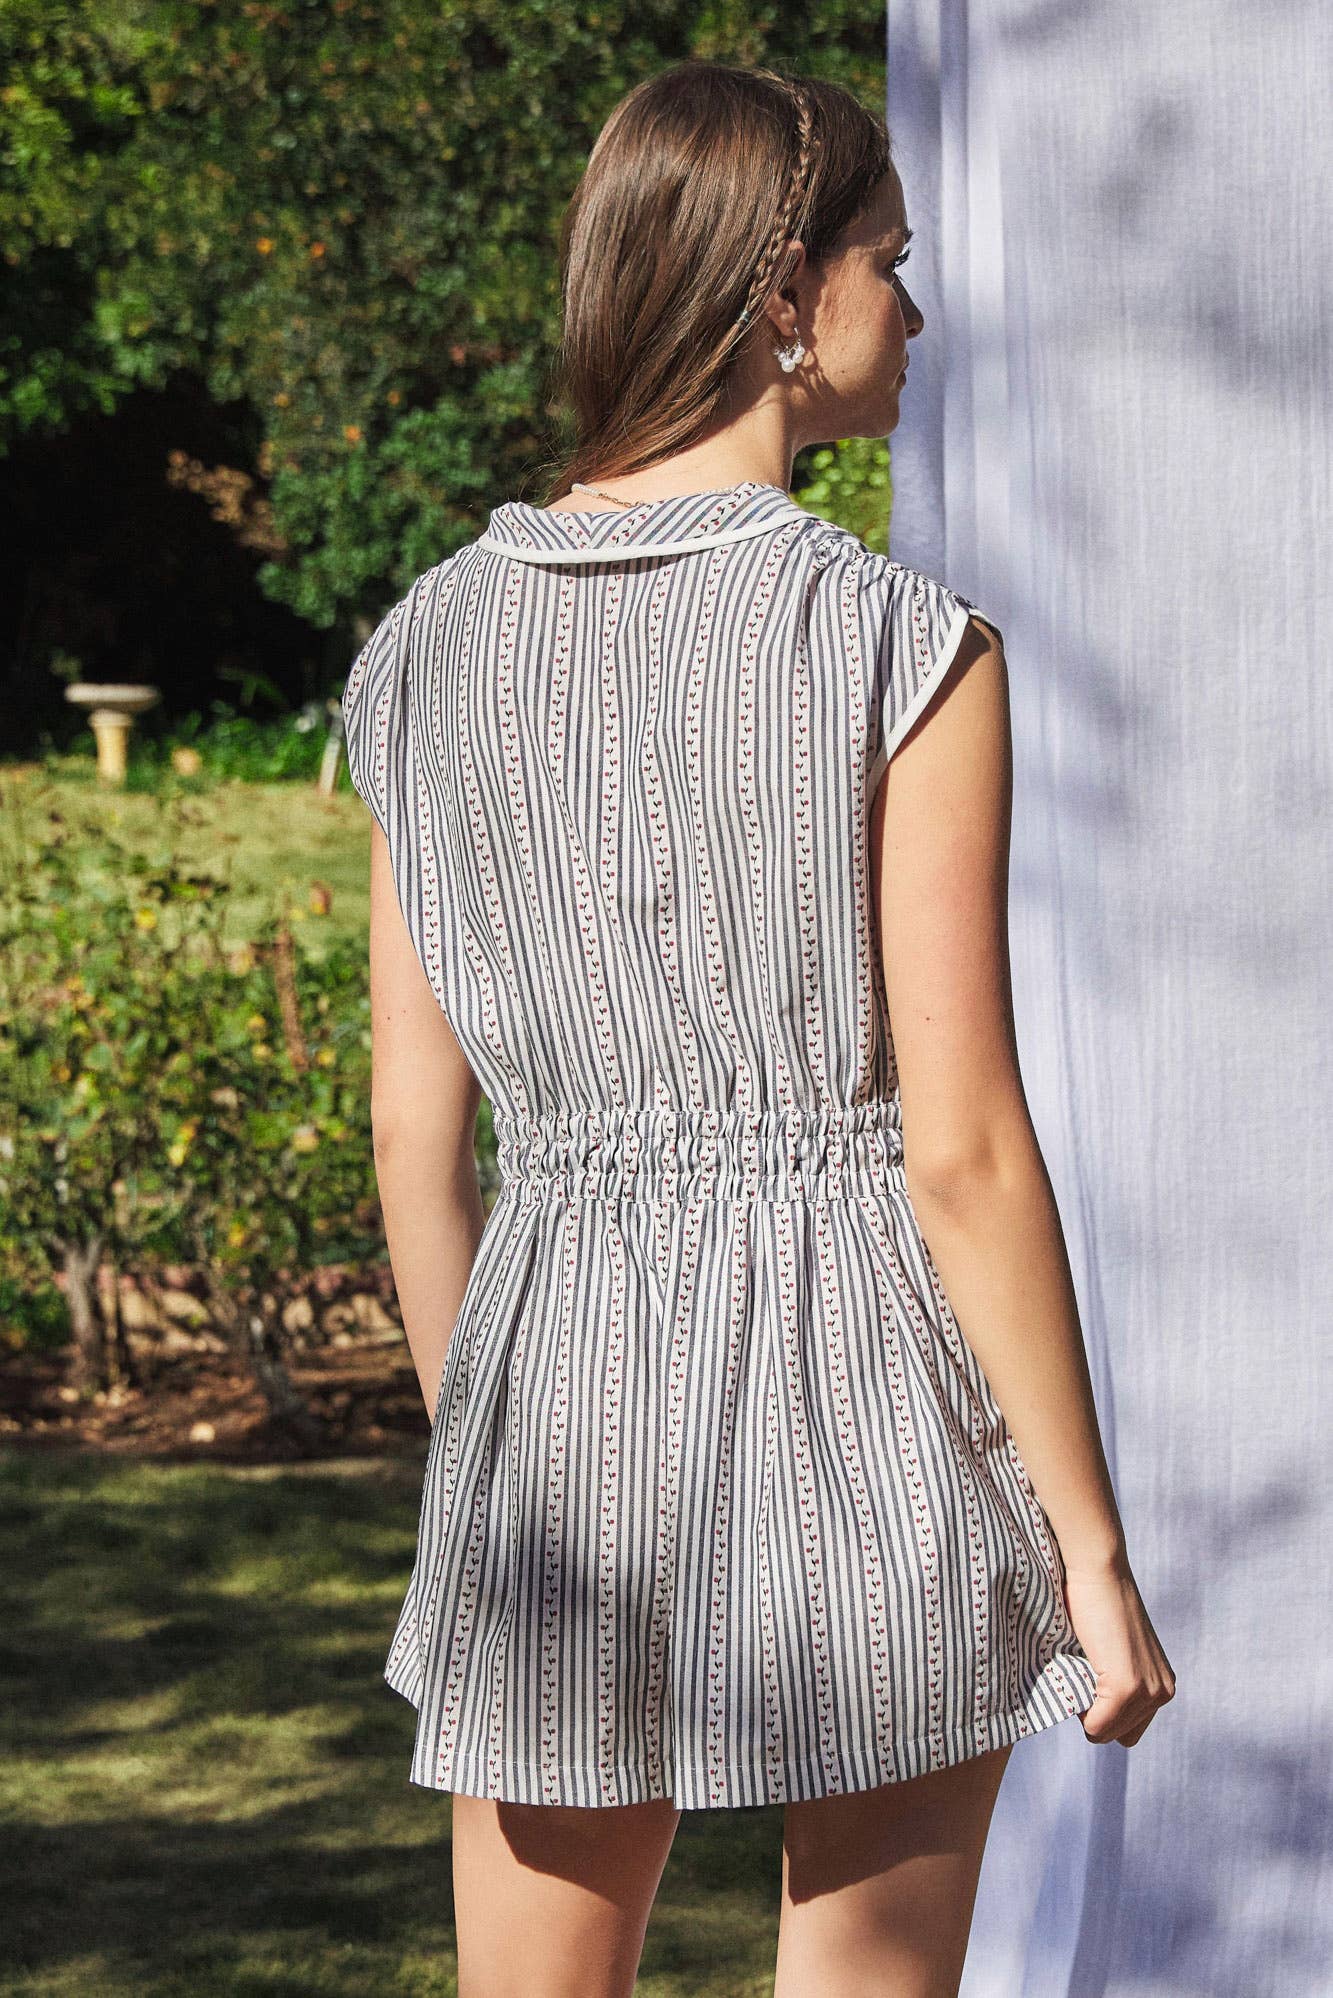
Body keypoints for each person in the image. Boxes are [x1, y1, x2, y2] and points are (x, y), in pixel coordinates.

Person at [341, 56, 1175, 1998]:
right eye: (893, 259)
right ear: (786, 296)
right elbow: (957, 1153)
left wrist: (500, 1464)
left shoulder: (422, 652)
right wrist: (1091, 1547)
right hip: (863, 1400)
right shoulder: (902, 648)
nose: (918, 306)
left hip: (549, 1405)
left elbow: (411, 1135)